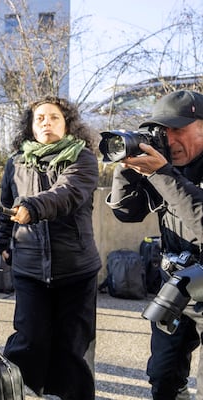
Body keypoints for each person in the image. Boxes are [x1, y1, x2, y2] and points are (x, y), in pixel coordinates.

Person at [0, 95, 101, 399]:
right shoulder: (16, 161)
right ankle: (19, 394)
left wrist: (32, 206)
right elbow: (6, 206)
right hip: (29, 270)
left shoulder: (83, 158)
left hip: (76, 270)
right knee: (29, 341)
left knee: (73, 350)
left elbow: (66, 193)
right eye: (39, 117)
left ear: (68, 124)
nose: (46, 122)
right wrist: (2, 242)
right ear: (30, 126)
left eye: (54, 117)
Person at [107, 90, 203, 400]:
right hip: (177, 285)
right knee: (162, 377)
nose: (170, 138)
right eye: (164, 130)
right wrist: (126, 171)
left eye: (179, 129)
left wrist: (164, 175)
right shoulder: (163, 167)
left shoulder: (165, 171)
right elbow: (127, 214)